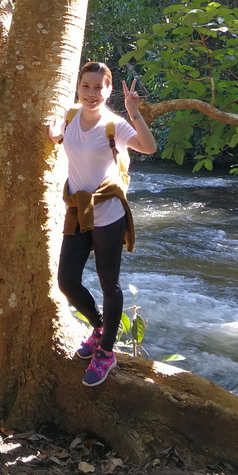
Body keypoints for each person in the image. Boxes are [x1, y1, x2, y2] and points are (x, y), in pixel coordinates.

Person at [48, 61, 157, 387]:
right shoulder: (70, 116)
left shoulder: (116, 126)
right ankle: (98, 327)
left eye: (99, 88)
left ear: (108, 91)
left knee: (109, 284)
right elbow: (65, 138)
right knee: (66, 280)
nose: (92, 93)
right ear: (78, 87)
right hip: (79, 213)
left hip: (109, 214)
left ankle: (107, 350)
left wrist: (133, 111)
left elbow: (149, 148)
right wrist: (55, 135)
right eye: (86, 86)